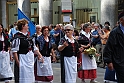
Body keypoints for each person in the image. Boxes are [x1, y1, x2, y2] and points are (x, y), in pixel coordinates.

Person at [11, 18, 43, 83]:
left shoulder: (29, 37)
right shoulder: (17, 37)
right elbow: (14, 51)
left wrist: (40, 55)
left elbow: (34, 48)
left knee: (30, 77)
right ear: (23, 26)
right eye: (27, 25)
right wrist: (18, 62)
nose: (28, 26)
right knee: (22, 77)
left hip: (29, 60)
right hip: (23, 59)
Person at [103, 11, 124, 83]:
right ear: (121, 20)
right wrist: (109, 61)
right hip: (119, 62)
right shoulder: (115, 33)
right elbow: (109, 48)